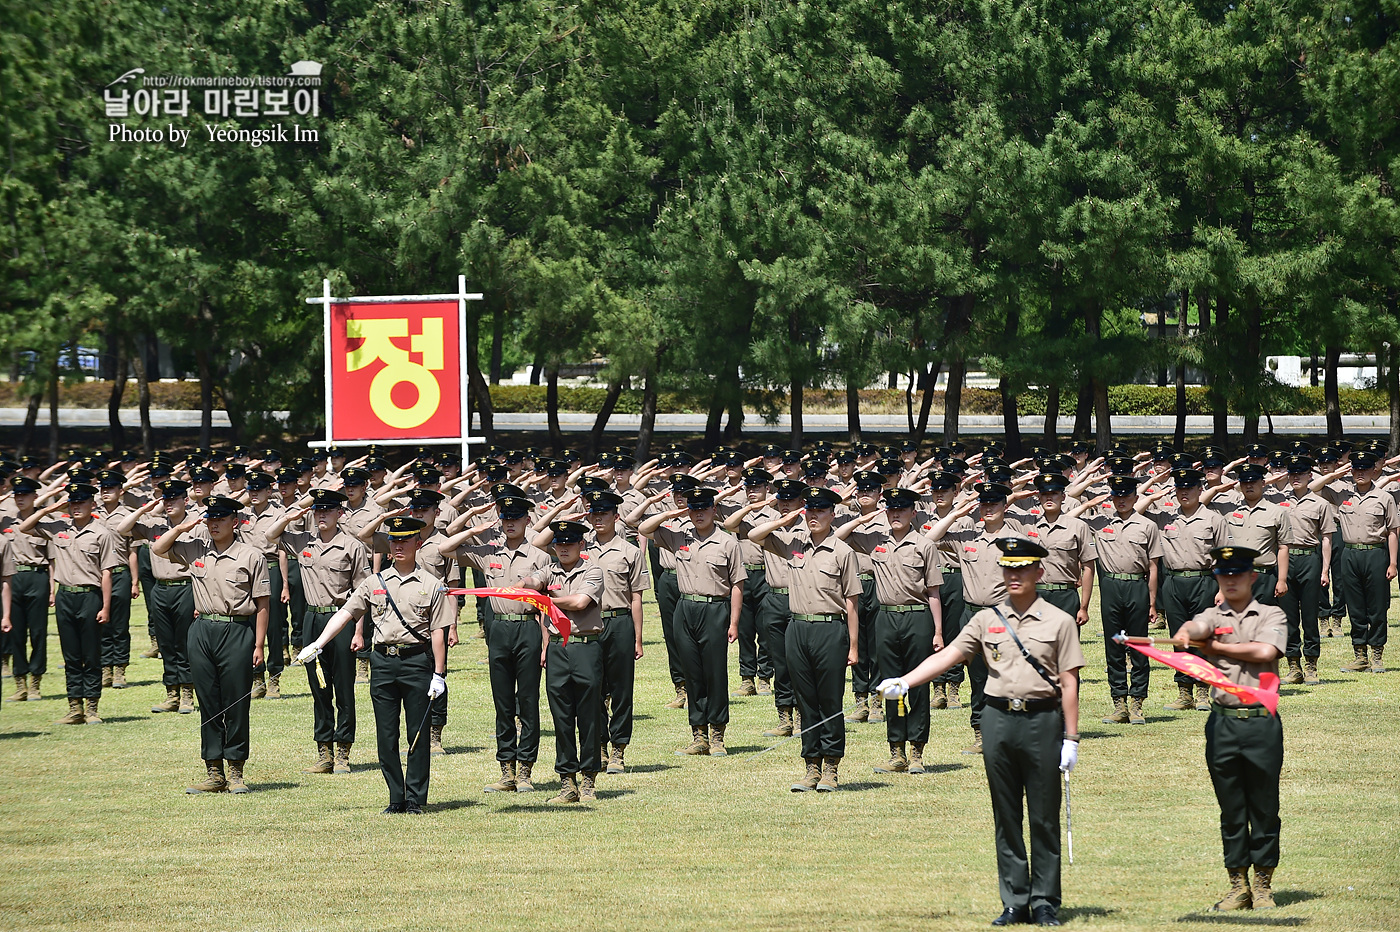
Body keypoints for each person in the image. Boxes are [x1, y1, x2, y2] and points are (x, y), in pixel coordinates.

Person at [876, 537, 1083, 928]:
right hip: (997, 720)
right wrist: (905, 681)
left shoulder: (1059, 621)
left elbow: (1069, 683)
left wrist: (1070, 738)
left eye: (1023, 568)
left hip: (1041, 721)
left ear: (1039, 572)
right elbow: (950, 655)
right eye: (1009, 569)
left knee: (1042, 816)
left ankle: (1044, 902)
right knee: (1005, 814)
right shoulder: (986, 620)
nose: (1015, 575)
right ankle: (1014, 900)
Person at [296, 516, 452, 814]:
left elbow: (438, 632)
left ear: (418, 544)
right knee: (386, 735)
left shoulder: (431, 584)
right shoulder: (375, 582)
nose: (399, 545)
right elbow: (346, 613)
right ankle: (396, 797)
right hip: (383, 662)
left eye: (406, 540)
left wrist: (439, 674)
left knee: (416, 735)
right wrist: (319, 643)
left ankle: (416, 798)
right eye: (394, 541)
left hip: (416, 661)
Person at [1172, 545, 1287, 912]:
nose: (1231, 580)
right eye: (1224, 574)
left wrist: (1218, 648)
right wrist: (1189, 632)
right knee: (1231, 807)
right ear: (1217, 579)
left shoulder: (1271, 614)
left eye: (1238, 573)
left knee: (1265, 806)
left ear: (1253, 576)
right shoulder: (1211, 615)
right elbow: (1198, 625)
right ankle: (1238, 885)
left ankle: (1264, 885)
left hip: (1261, 723)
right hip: (1222, 723)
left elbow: (1265, 652)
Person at [153, 496, 270, 794]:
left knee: (236, 703)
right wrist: (182, 527)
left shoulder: (251, 556)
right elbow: (157, 547)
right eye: (209, 518)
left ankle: (236, 771)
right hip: (202, 629)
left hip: (236, 630)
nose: (213, 523)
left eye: (220, 518)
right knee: (209, 702)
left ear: (235, 521)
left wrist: (259, 645)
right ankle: (214, 771)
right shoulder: (196, 549)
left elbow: (263, 604)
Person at [748, 486, 861, 792]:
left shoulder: (842, 551)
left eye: (820, 511)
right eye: (810, 510)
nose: (814, 516)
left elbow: (852, 601)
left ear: (832, 515)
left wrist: (853, 644)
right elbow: (754, 535)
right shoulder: (793, 543)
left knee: (830, 701)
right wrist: (785, 520)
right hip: (797, 628)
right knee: (806, 701)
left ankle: (831, 767)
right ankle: (811, 766)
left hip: (830, 629)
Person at [445, 493, 552, 792]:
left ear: (527, 521)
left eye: (516, 518)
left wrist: (545, 643)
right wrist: (473, 530)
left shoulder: (540, 557)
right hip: (499, 631)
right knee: (503, 702)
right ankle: (507, 770)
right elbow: (445, 547)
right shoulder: (489, 552)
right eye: (506, 519)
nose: (510, 524)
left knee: (528, 701)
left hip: (528, 629)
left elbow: (545, 605)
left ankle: (526, 771)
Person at [838, 487, 943, 775]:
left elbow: (933, 592)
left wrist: (938, 632)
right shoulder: (875, 541)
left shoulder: (924, 545)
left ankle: (917, 752)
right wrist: (865, 518)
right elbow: (838, 537)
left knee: (918, 686)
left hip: (917, 618)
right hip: (885, 620)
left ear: (913, 513)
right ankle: (896, 749)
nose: (896, 514)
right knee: (893, 687)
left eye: (902, 509)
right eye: (891, 510)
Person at [267, 488, 371, 775]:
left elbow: (363, 595)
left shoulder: (352, 546)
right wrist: (291, 515)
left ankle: (343, 752)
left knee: (343, 688)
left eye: (327, 510)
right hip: (312, 619)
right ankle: (324, 750)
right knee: (319, 687)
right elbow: (269, 536)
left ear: (340, 513)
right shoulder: (303, 541)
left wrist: (358, 632)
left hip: (343, 619)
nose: (321, 515)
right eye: (317, 510)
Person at [638, 485, 745, 757]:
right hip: (685, 609)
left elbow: (736, 585)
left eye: (703, 509)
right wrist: (673, 513)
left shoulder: (728, 542)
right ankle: (699, 734)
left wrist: (733, 622)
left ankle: (718, 734)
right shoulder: (679, 537)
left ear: (714, 509)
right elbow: (641, 528)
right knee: (692, 673)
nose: (698, 515)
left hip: (715, 609)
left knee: (715, 673)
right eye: (694, 509)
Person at [18, 483, 121, 725]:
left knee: (91, 653)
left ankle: (92, 707)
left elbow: (107, 573)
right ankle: (75, 707)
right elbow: (24, 527)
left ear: (92, 504)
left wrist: (106, 607)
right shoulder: (58, 527)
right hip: (65, 596)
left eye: (81, 502)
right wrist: (48, 509)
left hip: (89, 596)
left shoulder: (102, 533)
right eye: (72, 502)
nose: (76, 507)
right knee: (71, 654)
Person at [518, 519, 606, 803]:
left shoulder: (592, 570)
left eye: (569, 543)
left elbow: (581, 602)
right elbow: (532, 581)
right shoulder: (549, 571)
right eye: (559, 543)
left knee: (589, 716)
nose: (563, 548)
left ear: (581, 545)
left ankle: (589, 779)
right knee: (562, 718)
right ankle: (567, 782)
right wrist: (523, 586)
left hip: (585, 647)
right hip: (557, 650)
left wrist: (546, 600)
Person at [1144, 468, 1229, 711]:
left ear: (1200, 489)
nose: (1184, 493)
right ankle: (1184, 691)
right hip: (1172, 583)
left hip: (1204, 581)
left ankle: (1203, 690)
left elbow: (1224, 557)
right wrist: (1154, 495)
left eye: (1189, 488)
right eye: (1180, 489)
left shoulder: (1214, 519)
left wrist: (1222, 589)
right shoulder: (1166, 518)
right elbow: (1135, 510)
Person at [1083, 474, 1162, 726]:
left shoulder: (1147, 525)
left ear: (1135, 498)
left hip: (1137, 585)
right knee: (1114, 646)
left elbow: (1153, 566)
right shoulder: (1100, 523)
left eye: (1126, 496)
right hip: (1110, 587)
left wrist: (1152, 603)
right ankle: (1119, 703)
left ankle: (1137, 702)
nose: (1122, 500)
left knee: (1138, 645)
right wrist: (1088, 504)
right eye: (1116, 496)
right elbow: (1069, 514)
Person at [114, 480, 198, 715]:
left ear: (186, 500)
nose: (169, 503)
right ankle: (171, 692)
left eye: (174, 498)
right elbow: (122, 529)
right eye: (166, 499)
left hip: (186, 587)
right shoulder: (154, 525)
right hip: (160, 589)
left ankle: (187, 694)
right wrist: (143, 509)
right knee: (165, 644)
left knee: (184, 643)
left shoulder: (196, 525)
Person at [1334, 449, 1397, 673]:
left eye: (1365, 469)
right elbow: (1314, 488)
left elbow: (1392, 532)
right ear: (1351, 471)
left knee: (1378, 606)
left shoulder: (1384, 497)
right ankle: (1360, 654)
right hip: (1350, 554)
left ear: (1374, 470)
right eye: (1356, 469)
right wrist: (1337, 473)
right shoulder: (1343, 494)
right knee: (1355, 607)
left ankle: (1377, 653)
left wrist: (1392, 563)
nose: (1360, 473)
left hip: (1376, 553)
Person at [1276, 457, 1335, 685]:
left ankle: (1311, 664)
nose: (1296, 477)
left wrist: (1325, 570)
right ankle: (1294, 665)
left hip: (1310, 558)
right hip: (1286, 561)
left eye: (1300, 473)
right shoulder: (1279, 502)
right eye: (1292, 473)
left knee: (1310, 615)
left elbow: (1327, 539)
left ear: (1310, 475)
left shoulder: (1320, 504)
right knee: (1288, 616)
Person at [2, 476, 52, 702]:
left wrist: (52, 588)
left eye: (25, 495)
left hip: (37, 577)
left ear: (35, 497)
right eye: (17, 495)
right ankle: (20, 682)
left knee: (38, 632)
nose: (20, 498)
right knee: (15, 631)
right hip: (13, 579)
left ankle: (35, 682)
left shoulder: (45, 522)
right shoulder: (5, 522)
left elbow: (52, 560)